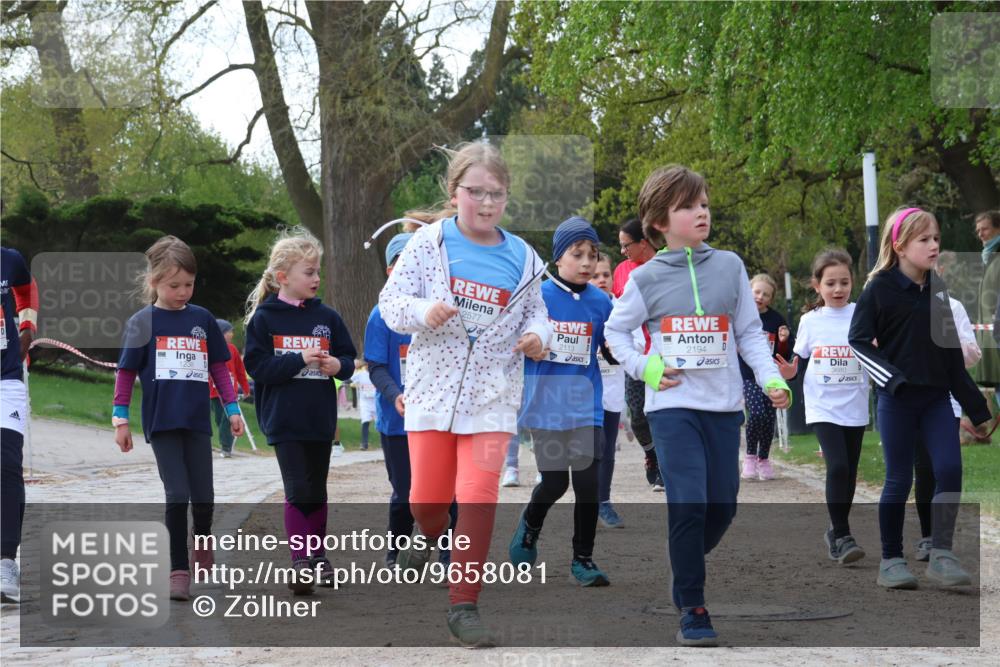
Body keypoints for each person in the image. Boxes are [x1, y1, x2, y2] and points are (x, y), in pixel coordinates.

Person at [606, 165, 790, 646]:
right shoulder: (644, 279)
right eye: (688, 206)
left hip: (724, 406)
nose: (701, 212)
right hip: (671, 406)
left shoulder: (730, 266)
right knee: (687, 502)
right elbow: (614, 332)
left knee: (722, 506)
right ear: (659, 222)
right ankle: (694, 606)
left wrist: (770, 378)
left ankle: (682, 563)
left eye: (704, 203)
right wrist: (646, 367)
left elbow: (749, 332)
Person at [379, 141, 551, 648]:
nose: (487, 202)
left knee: (478, 499)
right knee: (428, 501)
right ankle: (427, 534)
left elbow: (539, 313)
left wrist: (539, 337)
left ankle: (464, 606)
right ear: (455, 194)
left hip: (493, 397)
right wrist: (423, 311)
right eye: (476, 192)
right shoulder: (426, 244)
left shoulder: (524, 257)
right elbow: (392, 304)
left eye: (496, 193)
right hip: (432, 393)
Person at [849, 207, 991, 590]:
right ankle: (891, 560)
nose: (933, 246)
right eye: (924, 239)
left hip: (937, 401)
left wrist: (977, 408)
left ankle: (941, 554)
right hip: (897, 402)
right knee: (898, 478)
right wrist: (891, 380)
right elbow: (858, 342)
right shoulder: (878, 289)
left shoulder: (939, 291)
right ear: (899, 246)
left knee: (949, 470)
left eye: (936, 239)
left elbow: (949, 356)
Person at [113, 236, 244, 601]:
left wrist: (232, 409)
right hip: (162, 423)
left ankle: (202, 542)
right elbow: (125, 374)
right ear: (153, 281)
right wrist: (119, 419)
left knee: (204, 497)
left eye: (189, 284)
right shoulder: (142, 323)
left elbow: (219, 368)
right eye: (174, 285)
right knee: (177, 495)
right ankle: (178, 569)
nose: (183, 291)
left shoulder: (202, 319)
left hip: (197, 422)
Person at [244, 227, 356, 595]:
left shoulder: (327, 317)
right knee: (297, 489)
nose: (316, 278)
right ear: (282, 278)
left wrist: (337, 367)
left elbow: (348, 357)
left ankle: (318, 555)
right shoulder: (265, 318)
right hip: (283, 419)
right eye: (308, 272)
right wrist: (298, 359)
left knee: (317, 488)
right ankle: (300, 561)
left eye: (317, 271)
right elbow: (258, 369)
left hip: (319, 418)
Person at [508, 217, 614, 586]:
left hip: (587, 406)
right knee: (554, 483)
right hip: (546, 406)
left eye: (593, 255)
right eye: (577, 254)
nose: (587, 263)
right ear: (558, 259)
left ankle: (582, 560)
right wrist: (529, 345)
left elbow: (612, 347)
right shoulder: (537, 298)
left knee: (588, 484)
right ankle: (529, 526)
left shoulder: (602, 302)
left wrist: (616, 350)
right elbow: (514, 344)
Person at [364, 228, 455, 566]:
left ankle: (449, 554)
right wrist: (395, 395)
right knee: (405, 493)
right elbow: (375, 366)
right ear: (392, 271)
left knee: (447, 489)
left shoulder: (442, 310)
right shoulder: (380, 315)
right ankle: (396, 550)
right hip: (397, 422)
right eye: (405, 264)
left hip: (438, 418)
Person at [778, 249, 870, 564]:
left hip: (855, 403)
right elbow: (798, 360)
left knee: (851, 472)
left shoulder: (862, 313)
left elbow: (874, 352)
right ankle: (843, 535)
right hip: (822, 405)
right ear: (817, 285)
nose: (838, 289)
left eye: (844, 282)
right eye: (831, 283)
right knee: (838, 466)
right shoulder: (810, 320)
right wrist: (790, 373)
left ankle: (836, 529)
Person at [912, 250, 984, 562]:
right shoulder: (902, 306)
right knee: (924, 471)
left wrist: (949, 342)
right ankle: (928, 536)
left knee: (947, 469)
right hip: (911, 401)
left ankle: (943, 541)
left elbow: (973, 353)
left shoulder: (954, 307)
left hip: (947, 401)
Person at [0, 246, 37, 604]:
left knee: (7, 463)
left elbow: (27, 290)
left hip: (5, 378)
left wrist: (27, 325)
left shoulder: (9, 260)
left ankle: (5, 561)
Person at [614, 217, 662, 491]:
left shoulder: (663, 267)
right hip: (634, 357)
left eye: (626, 245)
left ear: (643, 243)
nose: (622, 251)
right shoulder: (622, 271)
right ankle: (651, 454)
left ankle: (667, 467)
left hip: (662, 356)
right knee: (639, 417)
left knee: (662, 416)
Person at [740, 273, 793, 481]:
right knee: (756, 413)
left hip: (770, 376)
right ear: (749, 291)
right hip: (747, 375)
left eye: (766, 294)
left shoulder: (776, 319)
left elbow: (783, 354)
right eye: (757, 292)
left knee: (769, 418)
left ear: (771, 298)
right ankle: (750, 456)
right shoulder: (741, 315)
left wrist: (782, 340)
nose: (760, 297)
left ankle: (764, 459)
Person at [590, 251, 625, 528]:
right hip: (580, 391)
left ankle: (603, 502)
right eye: (594, 276)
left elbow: (633, 344)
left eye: (605, 275)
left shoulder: (623, 310)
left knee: (606, 450)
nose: (601, 280)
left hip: (611, 392)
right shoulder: (579, 308)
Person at [209, 319, 250, 458]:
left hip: (229, 395)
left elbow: (240, 370)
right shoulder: (210, 348)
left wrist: (245, 388)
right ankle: (222, 444)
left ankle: (226, 447)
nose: (231, 334)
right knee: (219, 420)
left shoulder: (233, 350)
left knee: (228, 419)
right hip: (213, 393)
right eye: (228, 331)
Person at [973, 211, 1000, 398]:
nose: (981, 234)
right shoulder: (988, 258)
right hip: (991, 336)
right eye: (978, 230)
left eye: (985, 229)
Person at [351, 360, 376, 451]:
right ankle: (364, 443)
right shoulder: (361, 374)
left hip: (376, 401)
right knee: (365, 421)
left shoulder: (376, 373)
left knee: (380, 422)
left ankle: (384, 442)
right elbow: (350, 379)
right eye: (368, 363)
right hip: (365, 402)